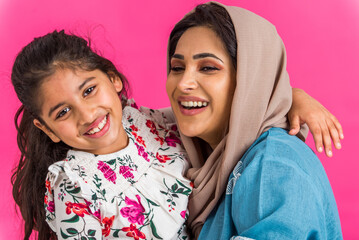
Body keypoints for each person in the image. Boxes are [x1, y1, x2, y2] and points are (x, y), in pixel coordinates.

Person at [166, 2, 342, 239]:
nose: (183, 83)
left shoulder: (272, 163)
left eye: (207, 67)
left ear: (250, 78)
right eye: (177, 67)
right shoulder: (220, 158)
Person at [11, 30, 192, 240]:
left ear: (113, 78)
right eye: (63, 112)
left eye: (89, 91)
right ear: (48, 129)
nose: (87, 115)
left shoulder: (147, 123)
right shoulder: (74, 188)